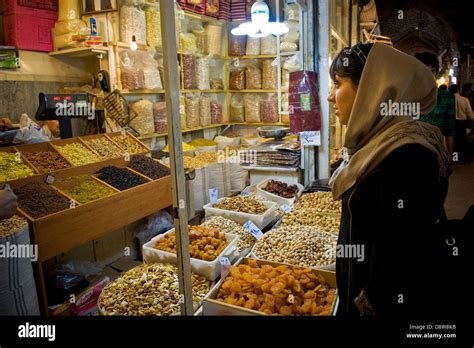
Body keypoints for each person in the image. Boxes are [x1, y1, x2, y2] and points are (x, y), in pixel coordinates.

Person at [328, 42, 449, 316]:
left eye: (337, 84)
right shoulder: (380, 143)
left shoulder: (405, 158)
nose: (330, 97)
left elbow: (397, 264)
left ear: (371, 90)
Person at [449, 83, 473, 162]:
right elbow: (470, 114)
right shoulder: (464, 100)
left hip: (451, 123)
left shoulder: (448, 100)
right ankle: (462, 159)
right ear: (458, 90)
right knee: (462, 141)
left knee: (454, 143)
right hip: (462, 123)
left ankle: (455, 159)